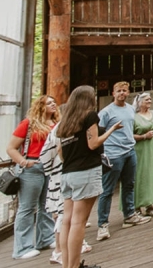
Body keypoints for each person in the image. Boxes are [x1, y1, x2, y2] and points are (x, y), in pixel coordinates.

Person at [56, 85, 120, 268]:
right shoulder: (90, 116)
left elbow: (61, 152)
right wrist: (111, 130)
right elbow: (93, 144)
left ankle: (67, 265)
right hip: (86, 171)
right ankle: (75, 266)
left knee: (67, 221)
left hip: (68, 173)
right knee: (79, 222)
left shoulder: (65, 122)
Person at [96, 81, 151, 241]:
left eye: (124, 91)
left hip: (129, 151)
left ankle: (130, 215)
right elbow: (99, 133)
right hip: (113, 154)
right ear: (113, 93)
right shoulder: (106, 112)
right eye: (118, 91)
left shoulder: (130, 109)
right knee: (107, 190)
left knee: (129, 184)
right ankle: (103, 224)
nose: (122, 93)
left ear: (128, 93)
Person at [6, 95, 60, 260]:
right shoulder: (28, 124)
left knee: (47, 205)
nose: (53, 104)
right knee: (27, 207)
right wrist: (23, 162)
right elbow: (11, 148)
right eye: (48, 102)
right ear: (40, 107)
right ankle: (22, 248)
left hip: (51, 168)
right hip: (32, 168)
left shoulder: (57, 123)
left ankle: (45, 238)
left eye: (54, 102)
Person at [39, 113, 92, 266]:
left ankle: (66, 250)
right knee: (64, 216)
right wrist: (56, 168)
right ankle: (60, 252)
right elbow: (48, 154)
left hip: (63, 174)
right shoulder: (63, 128)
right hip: (63, 175)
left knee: (67, 216)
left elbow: (46, 155)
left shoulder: (63, 129)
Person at [132, 93, 153, 216]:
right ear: (139, 102)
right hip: (141, 149)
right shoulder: (134, 117)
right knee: (142, 175)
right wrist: (143, 136)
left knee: (152, 174)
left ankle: (149, 204)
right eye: (146, 99)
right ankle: (136, 206)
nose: (149, 101)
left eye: (150, 99)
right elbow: (129, 135)